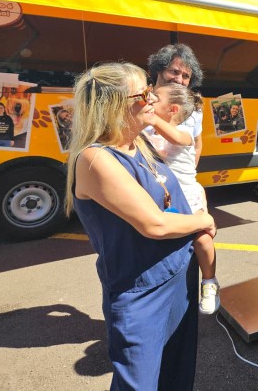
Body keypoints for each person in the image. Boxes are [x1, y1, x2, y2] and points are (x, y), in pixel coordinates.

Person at [64, 62, 216, 390]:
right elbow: (154, 224)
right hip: (141, 291)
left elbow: (173, 189)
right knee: (140, 383)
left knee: (177, 372)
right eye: (144, 93)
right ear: (113, 106)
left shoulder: (141, 143)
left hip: (178, 276)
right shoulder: (96, 159)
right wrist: (204, 219)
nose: (152, 99)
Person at [143, 82, 220, 314]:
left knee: (202, 239)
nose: (150, 100)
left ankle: (209, 282)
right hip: (163, 198)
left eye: (156, 98)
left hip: (188, 197)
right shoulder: (146, 132)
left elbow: (177, 138)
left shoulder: (183, 133)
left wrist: (152, 119)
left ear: (173, 109)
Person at [148, 43, 204, 167]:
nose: (179, 80)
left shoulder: (194, 110)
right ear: (159, 70)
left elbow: (197, 144)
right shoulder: (141, 98)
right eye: (174, 72)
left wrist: (189, 173)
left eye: (186, 76)